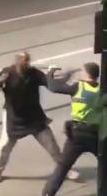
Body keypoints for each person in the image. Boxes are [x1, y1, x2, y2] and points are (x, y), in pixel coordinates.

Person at [0, 52, 79, 183]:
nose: (26, 63)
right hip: (14, 119)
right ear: (17, 61)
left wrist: (64, 78)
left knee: (52, 146)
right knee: (4, 147)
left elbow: (50, 83)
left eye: (27, 60)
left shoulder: (33, 73)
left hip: (34, 118)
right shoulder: (8, 73)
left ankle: (65, 169)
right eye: (23, 60)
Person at [43, 62, 102, 196]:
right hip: (95, 134)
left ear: (86, 74)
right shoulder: (101, 90)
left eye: (82, 71)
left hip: (76, 134)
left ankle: (48, 193)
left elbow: (53, 87)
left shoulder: (78, 87)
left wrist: (50, 72)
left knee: (63, 167)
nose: (80, 73)